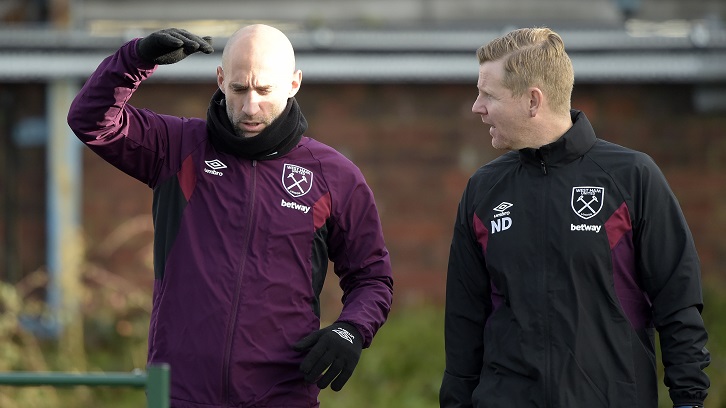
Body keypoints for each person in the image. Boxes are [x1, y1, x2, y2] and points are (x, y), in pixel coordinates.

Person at [67, 25, 393, 408]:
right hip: (181, 394)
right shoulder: (178, 147)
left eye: (264, 90)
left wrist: (351, 330)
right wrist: (136, 58)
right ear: (221, 80)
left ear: (294, 83)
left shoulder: (334, 175)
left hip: (282, 395)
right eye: (239, 89)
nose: (250, 106)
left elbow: (373, 277)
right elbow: (91, 119)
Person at [439, 27, 710, 408]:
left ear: (533, 101)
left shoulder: (632, 178)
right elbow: (464, 321)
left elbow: (677, 302)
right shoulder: (484, 190)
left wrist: (689, 400)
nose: (476, 107)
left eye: (488, 94)